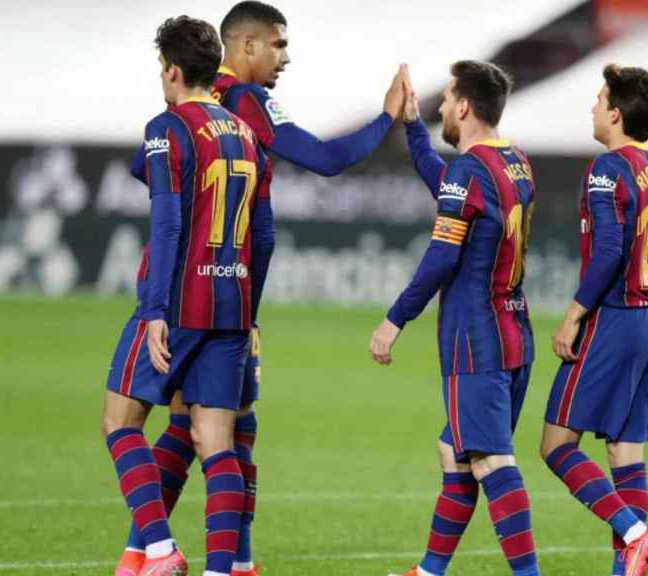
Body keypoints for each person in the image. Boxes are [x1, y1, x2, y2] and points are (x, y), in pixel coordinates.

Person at [117, 3, 406, 575]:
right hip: (225, 294)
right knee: (229, 432)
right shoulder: (245, 104)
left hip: (181, 285)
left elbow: (142, 165)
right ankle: (230, 563)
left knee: (183, 422)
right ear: (244, 45)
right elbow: (324, 160)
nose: (286, 56)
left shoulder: (190, 105)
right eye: (278, 45)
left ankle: (142, 552)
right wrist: (386, 118)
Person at [101, 15, 267, 576]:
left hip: (177, 305)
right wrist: (250, 310)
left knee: (120, 422)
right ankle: (223, 570)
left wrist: (153, 312)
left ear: (171, 71)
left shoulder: (168, 127)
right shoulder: (246, 133)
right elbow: (263, 236)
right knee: (216, 444)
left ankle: (159, 550)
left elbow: (167, 225)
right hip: (232, 307)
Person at [370, 60, 540, 576]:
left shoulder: (471, 170)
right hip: (515, 331)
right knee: (455, 453)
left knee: (490, 461)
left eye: (445, 100)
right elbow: (444, 181)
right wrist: (410, 124)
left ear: (464, 106)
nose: (441, 107)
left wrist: (395, 319)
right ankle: (429, 570)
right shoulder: (515, 162)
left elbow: (442, 257)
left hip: (476, 337)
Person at [540, 64, 648, 576]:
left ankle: (639, 533)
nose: (594, 108)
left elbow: (610, 249)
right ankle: (628, 570)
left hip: (614, 320)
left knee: (556, 447)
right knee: (625, 449)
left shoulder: (607, 168)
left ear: (616, 114)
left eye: (599, 100)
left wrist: (573, 316)